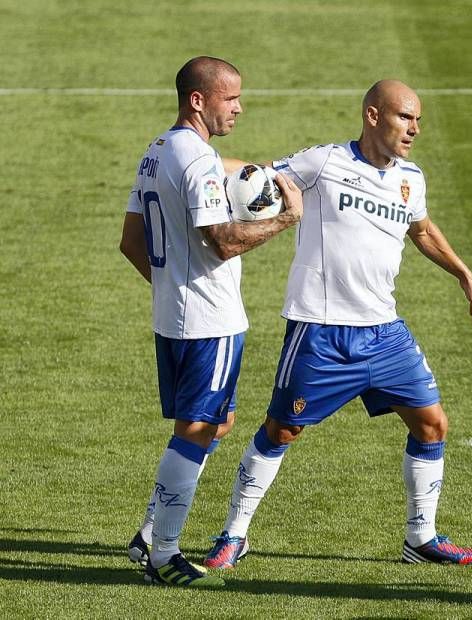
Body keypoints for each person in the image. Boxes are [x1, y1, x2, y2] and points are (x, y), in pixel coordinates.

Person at [203, 79, 472, 569]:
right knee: (280, 431)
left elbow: (420, 228)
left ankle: (420, 539)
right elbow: (260, 174)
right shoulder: (325, 162)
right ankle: (234, 534)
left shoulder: (410, 178)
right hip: (321, 331)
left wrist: (466, 276)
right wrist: (200, 166)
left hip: (385, 333)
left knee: (431, 423)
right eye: (406, 117)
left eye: (418, 120)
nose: (414, 129)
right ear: (374, 116)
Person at [119, 56, 302, 587]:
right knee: (197, 430)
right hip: (209, 321)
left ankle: (150, 535)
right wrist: (286, 218)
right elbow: (222, 242)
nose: (240, 108)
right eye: (231, 98)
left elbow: (131, 242)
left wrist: (171, 286)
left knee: (213, 423)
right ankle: (164, 557)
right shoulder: (197, 163)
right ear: (198, 100)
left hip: (174, 317)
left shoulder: (158, 151)